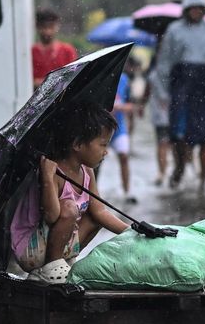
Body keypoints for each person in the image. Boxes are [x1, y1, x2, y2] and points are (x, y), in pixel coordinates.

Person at [10, 105, 130, 284]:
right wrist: (47, 178)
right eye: (103, 144)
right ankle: (51, 266)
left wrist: (132, 232)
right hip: (32, 250)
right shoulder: (54, 172)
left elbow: (100, 212)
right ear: (78, 144)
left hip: (55, 245)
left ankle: (63, 261)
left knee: (94, 217)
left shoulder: (87, 171)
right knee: (69, 208)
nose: (106, 151)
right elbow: (51, 216)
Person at [152, 0, 205, 192]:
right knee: (179, 134)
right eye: (192, 8)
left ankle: (203, 181)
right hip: (181, 86)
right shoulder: (174, 30)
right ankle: (179, 168)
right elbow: (164, 63)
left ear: (204, 10)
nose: (196, 11)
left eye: (200, 8)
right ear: (186, 9)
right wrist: (162, 92)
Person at [142, 43, 170, 186]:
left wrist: (141, 105)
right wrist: (141, 105)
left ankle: (164, 173)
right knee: (164, 144)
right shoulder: (154, 74)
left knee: (165, 144)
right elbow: (146, 93)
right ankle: (163, 172)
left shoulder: (155, 73)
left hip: (169, 115)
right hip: (162, 115)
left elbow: (146, 93)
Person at [31, 8, 78, 89]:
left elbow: (74, 77)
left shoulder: (68, 51)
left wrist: (43, 83)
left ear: (57, 26)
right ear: (37, 27)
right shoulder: (30, 53)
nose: (47, 31)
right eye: (44, 27)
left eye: (51, 27)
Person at [110, 58, 136, 204]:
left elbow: (131, 105)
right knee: (94, 164)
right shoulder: (101, 79)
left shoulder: (125, 80)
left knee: (124, 156)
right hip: (99, 129)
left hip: (119, 128)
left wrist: (120, 108)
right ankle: (93, 193)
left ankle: (127, 192)